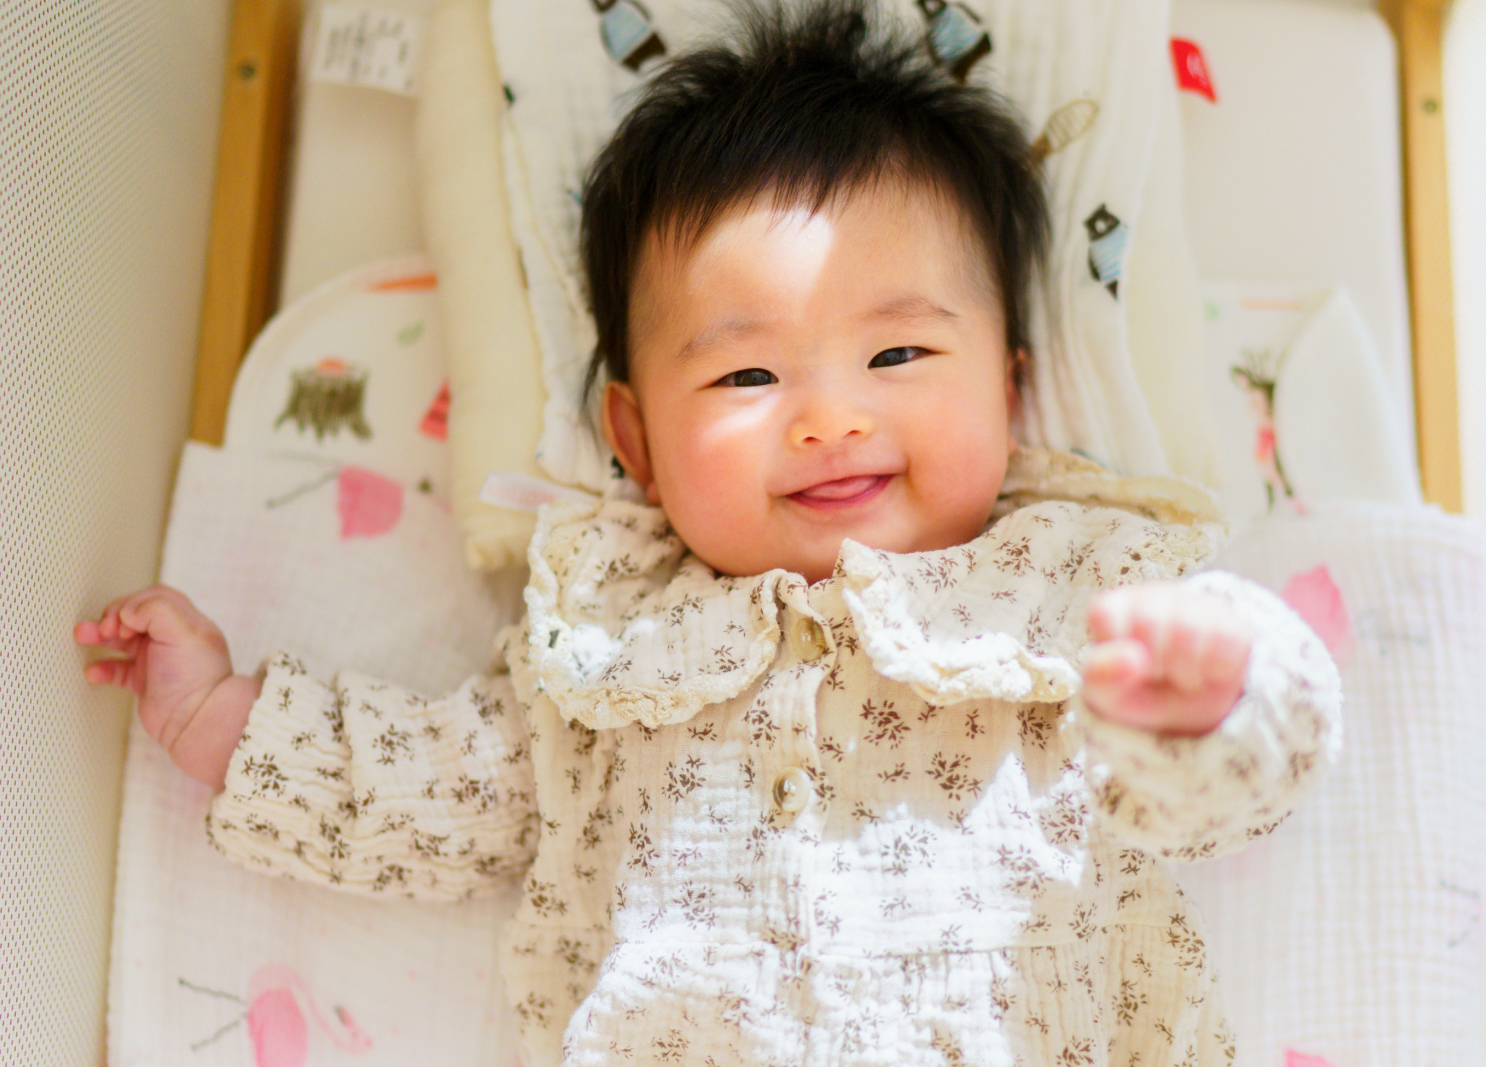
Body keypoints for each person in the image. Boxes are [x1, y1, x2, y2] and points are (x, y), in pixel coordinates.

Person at [75, 3, 1340, 1063]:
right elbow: (453, 786)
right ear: (630, 437)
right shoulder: (606, 630)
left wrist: (1221, 692)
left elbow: (1229, 801)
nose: (828, 417)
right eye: (745, 380)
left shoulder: (1075, 581)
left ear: (1008, 390)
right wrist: (226, 719)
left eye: (898, 351)